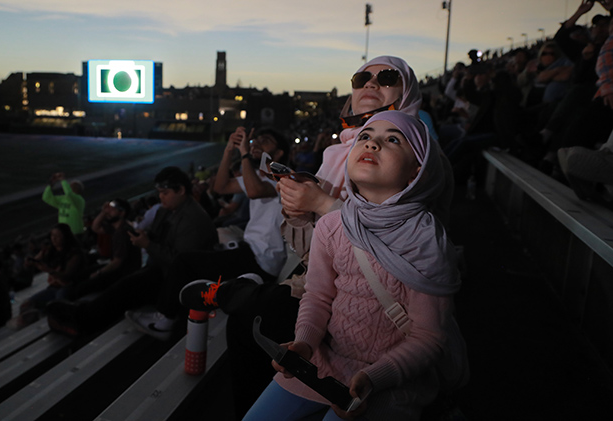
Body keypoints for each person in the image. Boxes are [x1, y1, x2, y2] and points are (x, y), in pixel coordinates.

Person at [179, 56, 453, 417]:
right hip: (326, 326)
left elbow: (392, 250)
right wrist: (299, 214)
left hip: (384, 354)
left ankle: (232, 292)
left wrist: (323, 203)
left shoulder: (422, 154)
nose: (370, 84)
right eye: (361, 78)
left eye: (386, 77)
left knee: (256, 318)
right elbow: (322, 264)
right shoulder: (341, 151)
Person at [242, 111, 467, 421]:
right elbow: (317, 296)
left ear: (417, 171)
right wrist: (304, 344)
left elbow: (428, 338)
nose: (372, 144)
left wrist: (375, 377)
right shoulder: (332, 225)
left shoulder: (428, 240)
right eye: (365, 136)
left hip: (390, 378)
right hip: (325, 360)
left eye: (391, 140)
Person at [125, 126, 289, 340]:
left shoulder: (282, 178)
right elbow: (220, 187)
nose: (256, 142)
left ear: (278, 154)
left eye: (265, 140)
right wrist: (228, 151)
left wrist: (245, 153)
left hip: (261, 260)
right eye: (256, 139)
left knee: (185, 262)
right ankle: (176, 316)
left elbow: (255, 191)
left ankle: (165, 319)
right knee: (194, 265)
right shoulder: (259, 176)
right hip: (252, 252)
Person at [45, 166, 218, 335]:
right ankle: (82, 314)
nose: (161, 198)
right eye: (160, 193)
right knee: (122, 287)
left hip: (171, 281)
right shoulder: (170, 210)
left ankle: (81, 320)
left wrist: (147, 244)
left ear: (180, 190)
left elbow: (180, 263)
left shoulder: (192, 219)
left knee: (124, 288)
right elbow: (159, 239)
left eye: (165, 193)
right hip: (160, 270)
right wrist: (146, 237)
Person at [69, 198, 142, 299]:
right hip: (120, 268)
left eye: (112, 209)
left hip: (124, 272)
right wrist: (104, 212)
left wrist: (98, 273)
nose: (108, 212)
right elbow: (96, 227)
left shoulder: (122, 233)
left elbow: (117, 262)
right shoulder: (116, 228)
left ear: (121, 213)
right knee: (82, 275)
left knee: (82, 286)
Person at [16, 223, 85, 323]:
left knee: (59, 304)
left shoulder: (74, 254)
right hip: (53, 288)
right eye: (52, 235)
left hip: (68, 286)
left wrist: (48, 270)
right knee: (27, 304)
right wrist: (29, 263)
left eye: (57, 236)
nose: (54, 239)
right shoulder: (49, 250)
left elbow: (66, 277)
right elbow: (33, 262)